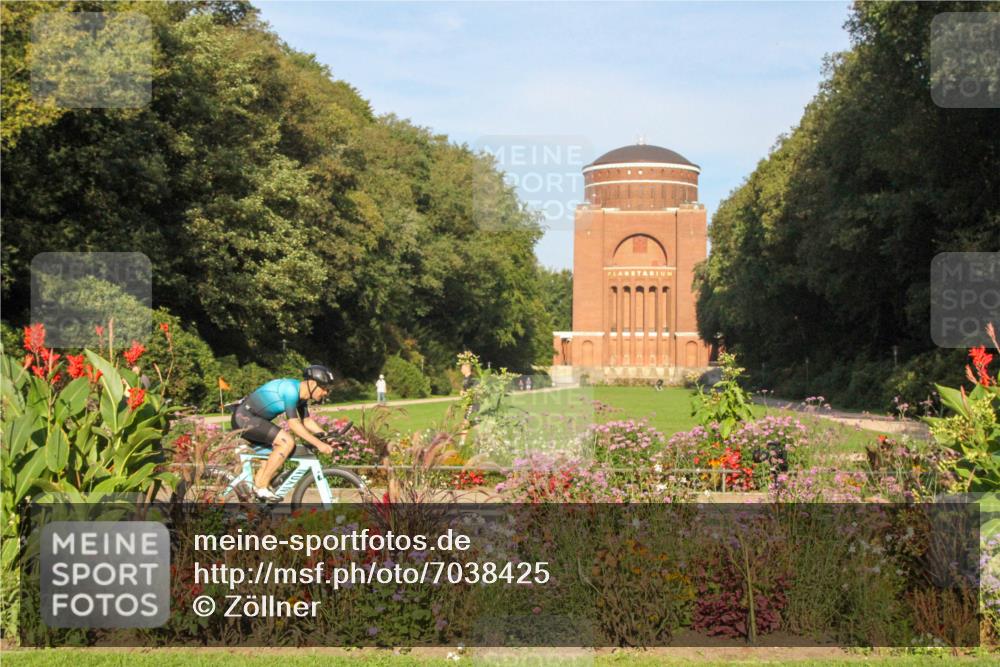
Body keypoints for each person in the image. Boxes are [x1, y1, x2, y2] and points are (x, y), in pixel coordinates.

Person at [231, 365, 336, 501]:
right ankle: (261, 488)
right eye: (324, 388)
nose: (326, 393)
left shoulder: (302, 396)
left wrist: (326, 437)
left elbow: (307, 420)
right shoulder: (291, 390)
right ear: (312, 383)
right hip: (244, 418)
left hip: (255, 420)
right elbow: (293, 423)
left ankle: (256, 501)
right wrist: (318, 444)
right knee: (286, 442)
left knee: (275, 458)